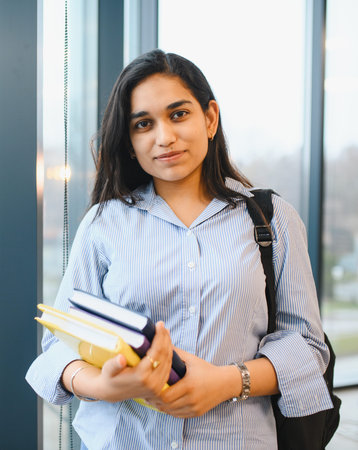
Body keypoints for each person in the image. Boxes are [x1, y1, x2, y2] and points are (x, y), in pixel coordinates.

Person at [26, 49, 333, 449]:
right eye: (143, 123)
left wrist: (226, 382)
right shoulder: (104, 223)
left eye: (178, 114)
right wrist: (104, 385)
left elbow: (308, 349)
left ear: (210, 118)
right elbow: (58, 348)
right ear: (130, 140)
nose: (164, 137)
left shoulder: (272, 219)